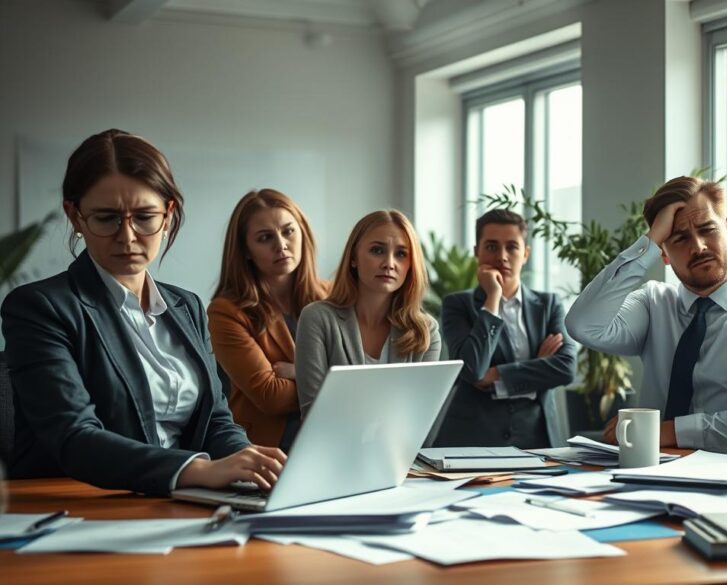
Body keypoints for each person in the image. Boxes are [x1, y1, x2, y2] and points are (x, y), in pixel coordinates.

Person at [0, 129, 285, 495]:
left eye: (144, 217)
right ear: (75, 217)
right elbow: (74, 437)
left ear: (167, 215)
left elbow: (215, 420)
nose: (128, 236)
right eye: (107, 218)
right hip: (82, 503)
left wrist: (249, 463)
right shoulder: (40, 307)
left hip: (184, 498)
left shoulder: (187, 306)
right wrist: (197, 470)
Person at [565, 176, 727, 453]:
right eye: (679, 238)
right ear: (663, 254)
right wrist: (649, 242)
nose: (698, 246)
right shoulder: (654, 304)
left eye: (707, 229)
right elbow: (583, 325)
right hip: (647, 476)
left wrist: (669, 431)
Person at [433, 209, 577, 449]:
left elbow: (565, 368)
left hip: (538, 441)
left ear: (525, 254)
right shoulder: (457, 305)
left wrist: (496, 375)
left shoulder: (549, 305)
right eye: (491, 246)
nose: (502, 256)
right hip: (471, 441)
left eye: (512, 247)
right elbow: (472, 370)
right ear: (476, 251)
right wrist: (493, 298)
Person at [208, 189, 327, 451]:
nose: (281, 244)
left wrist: (300, 372)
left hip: (336, 436)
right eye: (265, 238)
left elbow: (363, 375)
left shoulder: (333, 298)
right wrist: (335, 381)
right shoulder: (226, 312)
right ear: (246, 251)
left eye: (288, 231)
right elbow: (271, 397)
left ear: (302, 232)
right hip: (270, 450)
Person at [294, 210, 440, 416]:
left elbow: (421, 416)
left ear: (411, 264)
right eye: (377, 250)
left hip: (399, 448)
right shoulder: (317, 318)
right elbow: (313, 412)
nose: (389, 263)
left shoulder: (425, 330)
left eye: (400, 254)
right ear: (353, 257)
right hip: (332, 446)